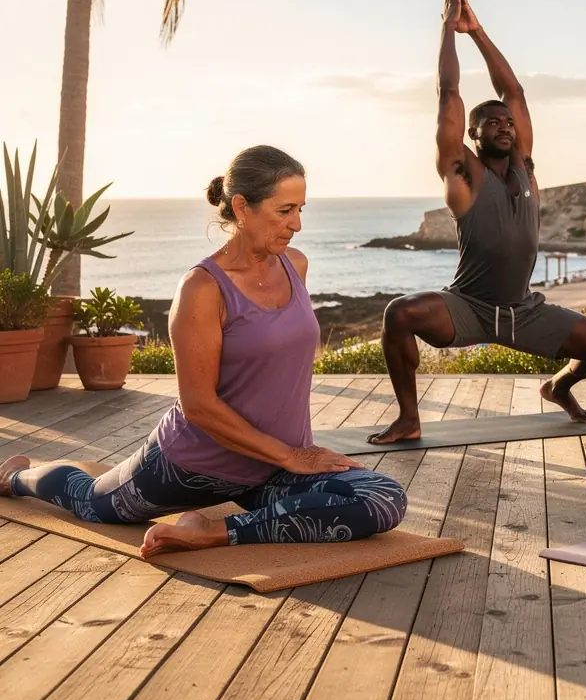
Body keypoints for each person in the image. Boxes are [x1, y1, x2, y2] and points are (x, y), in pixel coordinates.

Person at [0, 146, 408, 558]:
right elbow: (198, 405)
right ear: (242, 207)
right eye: (285, 210)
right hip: (193, 467)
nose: (297, 224)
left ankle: (211, 531)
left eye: (301, 209)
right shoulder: (203, 288)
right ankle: (17, 477)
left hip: (272, 470)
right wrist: (292, 455)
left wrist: (291, 458)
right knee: (90, 501)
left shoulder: (295, 265)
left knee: (382, 498)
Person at [367, 0, 586, 444]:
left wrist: (478, 31)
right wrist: (449, 29)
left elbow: (514, 91)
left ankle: (558, 387)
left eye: (508, 122)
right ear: (473, 134)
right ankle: (408, 418)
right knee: (399, 313)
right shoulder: (462, 173)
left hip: (524, 311)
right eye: (492, 123)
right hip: (467, 307)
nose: (505, 126)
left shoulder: (525, 167)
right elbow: (448, 91)